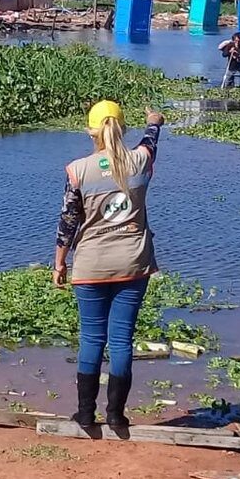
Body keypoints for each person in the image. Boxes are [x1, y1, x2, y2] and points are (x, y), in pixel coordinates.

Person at [55, 100, 165, 428]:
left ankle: (86, 414)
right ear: (123, 128)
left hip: (91, 265)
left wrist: (59, 263)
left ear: (91, 133)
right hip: (133, 263)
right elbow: (151, 141)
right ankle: (116, 415)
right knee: (121, 340)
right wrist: (154, 121)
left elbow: (67, 222)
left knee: (91, 338)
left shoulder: (78, 170)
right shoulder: (141, 161)